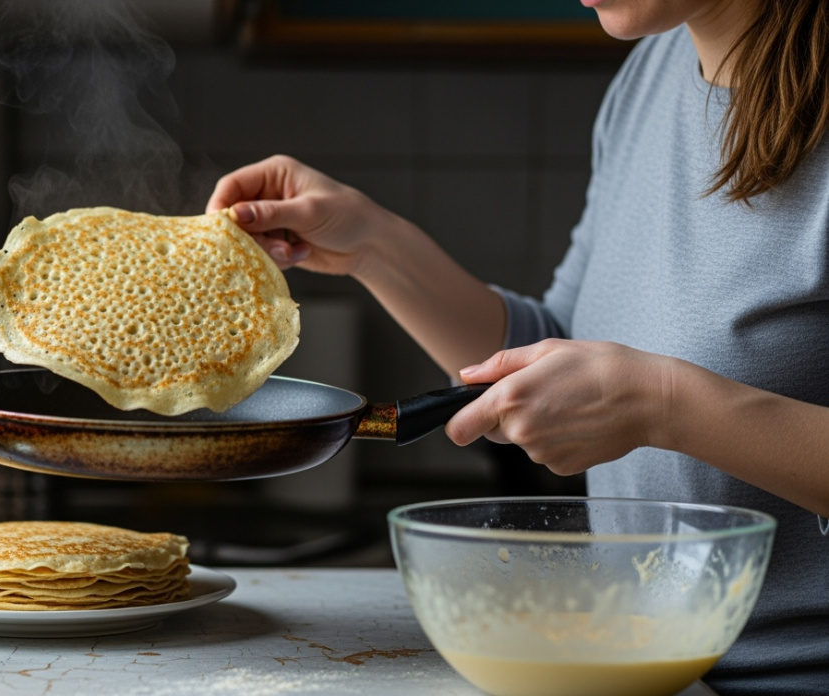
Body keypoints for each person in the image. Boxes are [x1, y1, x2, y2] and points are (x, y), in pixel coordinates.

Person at [206, 1, 829, 694]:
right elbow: (562, 349)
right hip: (650, 667)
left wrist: (666, 406)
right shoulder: (653, 73)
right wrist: (372, 244)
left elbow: (641, 388)